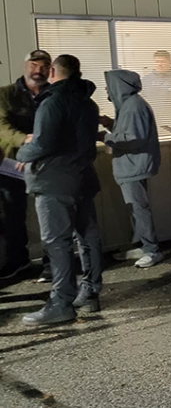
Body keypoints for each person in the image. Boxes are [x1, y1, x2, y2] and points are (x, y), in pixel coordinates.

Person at [16, 54, 100, 325]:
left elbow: (42, 144)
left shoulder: (53, 101)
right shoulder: (88, 103)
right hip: (82, 178)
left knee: (57, 242)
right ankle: (90, 292)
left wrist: (21, 152)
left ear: (53, 71)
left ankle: (62, 302)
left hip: (53, 181)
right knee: (87, 237)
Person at [99, 70, 163, 268]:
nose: (106, 90)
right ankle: (142, 245)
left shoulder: (133, 106)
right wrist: (109, 123)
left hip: (134, 166)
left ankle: (152, 250)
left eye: (109, 86)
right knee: (135, 208)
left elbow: (133, 138)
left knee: (138, 208)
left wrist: (103, 137)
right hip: (132, 165)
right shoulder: (129, 105)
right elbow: (127, 130)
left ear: (120, 86)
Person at [0, 50, 51, 281]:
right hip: (12, 166)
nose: (37, 71)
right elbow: (2, 127)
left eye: (43, 66)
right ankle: (18, 262)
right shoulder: (5, 95)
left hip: (45, 165)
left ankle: (53, 262)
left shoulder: (54, 94)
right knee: (13, 216)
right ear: (25, 66)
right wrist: (24, 141)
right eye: (33, 65)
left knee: (50, 214)